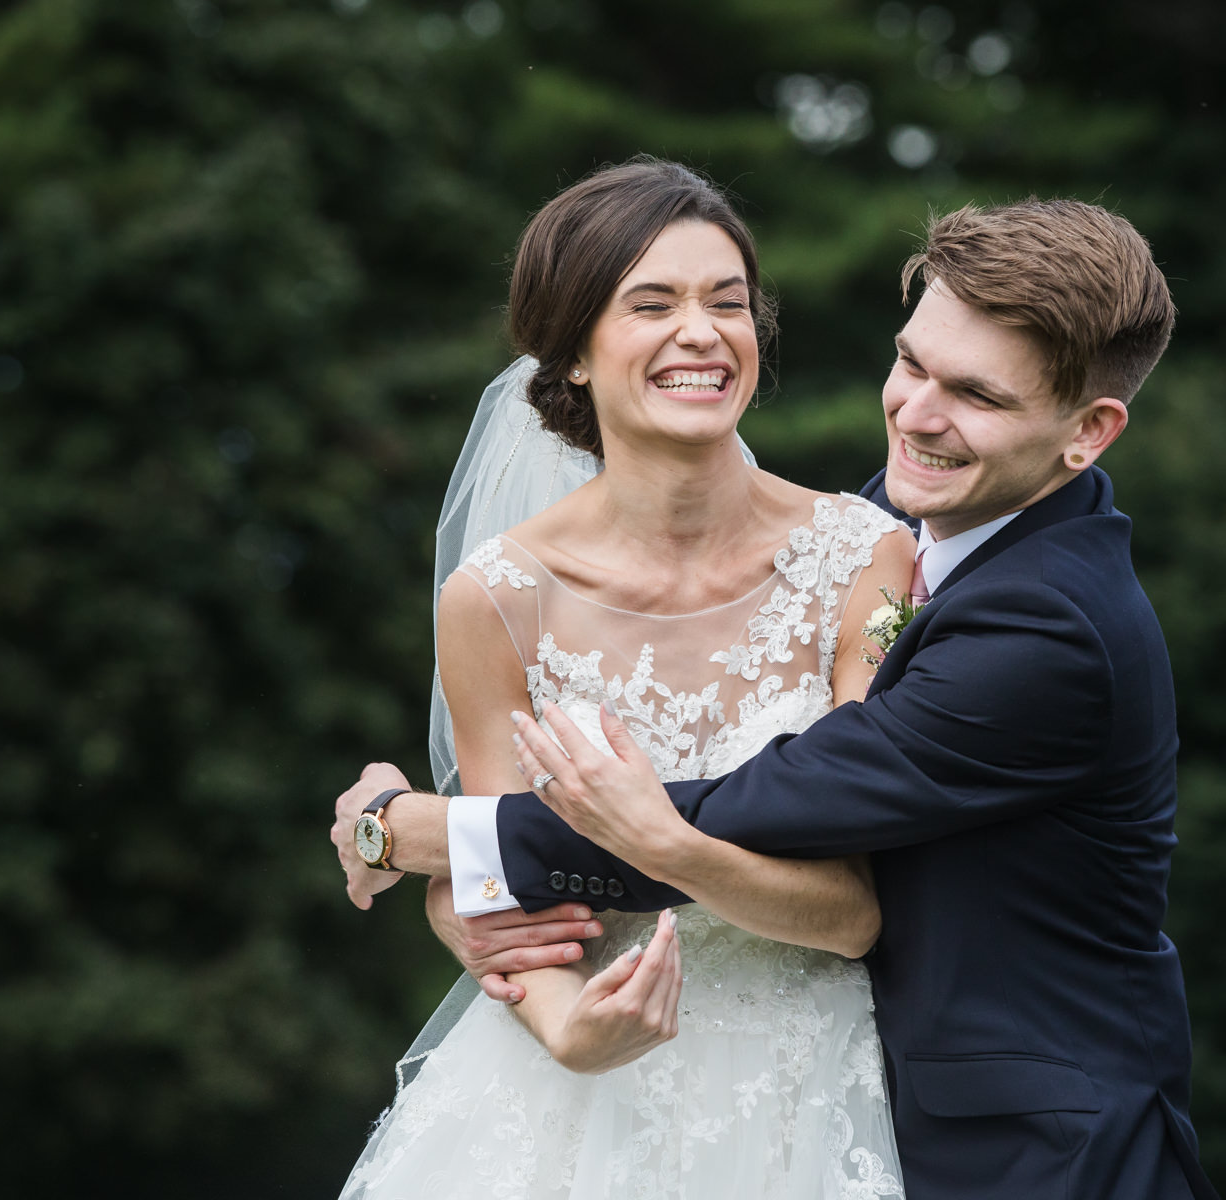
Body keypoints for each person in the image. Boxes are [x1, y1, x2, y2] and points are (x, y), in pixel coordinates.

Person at [336, 197, 1222, 1199]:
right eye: (911, 364)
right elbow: (511, 916)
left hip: (1028, 1152)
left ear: (1088, 433)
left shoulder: (1049, 631)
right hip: (649, 1098)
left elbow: (787, 806)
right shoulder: (885, 522)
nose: (918, 413)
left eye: (973, 393)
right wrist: (482, 918)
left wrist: (414, 830)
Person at [335, 158, 914, 1197]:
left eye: (726, 303)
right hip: (567, 1098)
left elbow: (853, 908)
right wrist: (568, 1030)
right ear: (573, 354)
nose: (702, 332)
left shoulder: (866, 560)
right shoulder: (496, 597)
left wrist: (654, 840)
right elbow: (499, 891)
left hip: (801, 1081)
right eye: (652, 303)